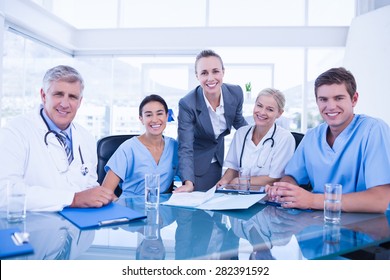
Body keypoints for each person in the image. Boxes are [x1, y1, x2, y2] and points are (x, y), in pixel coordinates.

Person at [266, 67, 390, 213]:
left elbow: (380, 200)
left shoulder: (373, 130)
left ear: (354, 99)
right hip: (315, 223)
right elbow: (292, 176)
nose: (331, 106)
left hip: (364, 227)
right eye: (323, 99)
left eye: (339, 98)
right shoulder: (312, 136)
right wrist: (284, 189)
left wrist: (312, 200)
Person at [0, 65, 115, 211]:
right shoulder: (15, 131)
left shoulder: (85, 137)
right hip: (34, 228)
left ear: (80, 102)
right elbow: (4, 193)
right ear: (43, 95)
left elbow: (89, 185)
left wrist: (101, 196)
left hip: (79, 227)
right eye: (58, 94)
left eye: (72, 97)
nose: (65, 104)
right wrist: (72, 199)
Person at [177, 49, 248, 192]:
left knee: (216, 206)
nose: (210, 78)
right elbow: (185, 147)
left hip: (219, 159)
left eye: (215, 71)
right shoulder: (187, 104)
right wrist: (188, 182)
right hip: (196, 163)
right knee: (199, 208)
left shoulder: (236, 93)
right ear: (197, 76)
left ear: (223, 72)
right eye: (204, 73)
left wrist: (259, 139)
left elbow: (240, 123)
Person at [102, 94, 184, 195]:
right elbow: (106, 191)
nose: (155, 119)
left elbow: (188, 175)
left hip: (161, 208)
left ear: (167, 116)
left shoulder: (174, 146)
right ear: (141, 119)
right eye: (148, 115)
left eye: (159, 114)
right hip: (129, 208)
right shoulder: (128, 148)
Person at [216, 88, 295, 188]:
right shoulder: (241, 133)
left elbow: (275, 178)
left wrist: (240, 181)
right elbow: (233, 168)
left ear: (279, 113)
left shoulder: (285, 138)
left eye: (270, 109)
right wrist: (223, 182)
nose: (262, 112)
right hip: (240, 194)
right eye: (259, 106)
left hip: (267, 197)